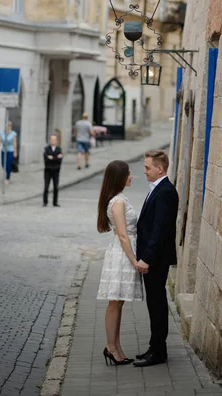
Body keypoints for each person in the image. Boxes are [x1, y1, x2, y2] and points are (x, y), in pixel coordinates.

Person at [134, 150, 179, 368]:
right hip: (153, 258)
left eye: (147, 168)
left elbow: (159, 231)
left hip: (156, 260)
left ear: (159, 168)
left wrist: (147, 258)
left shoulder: (166, 192)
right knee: (154, 304)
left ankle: (159, 351)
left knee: (158, 304)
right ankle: (155, 347)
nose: (144, 171)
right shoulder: (158, 189)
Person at [97, 160, 143, 366]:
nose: (131, 176)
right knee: (115, 301)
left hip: (123, 252)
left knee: (118, 301)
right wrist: (134, 260)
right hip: (122, 255)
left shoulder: (118, 199)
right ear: (120, 178)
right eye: (128, 173)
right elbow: (123, 235)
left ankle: (115, 346)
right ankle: (111, 347)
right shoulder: (118, 202)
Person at [43, 134, 63, 207]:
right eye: (52, 139)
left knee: (56, 187)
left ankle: (55, 202)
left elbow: (60, 160)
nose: (53, 141)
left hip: (56, 171)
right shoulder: (46, 148)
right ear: (49, 140)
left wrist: (52, 158)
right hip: (48, 170)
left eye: (54, 139)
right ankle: (45, 202)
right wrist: (55, 158)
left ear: (56, 141)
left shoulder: (59, 149)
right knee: (46, 186)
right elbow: (46, 158)